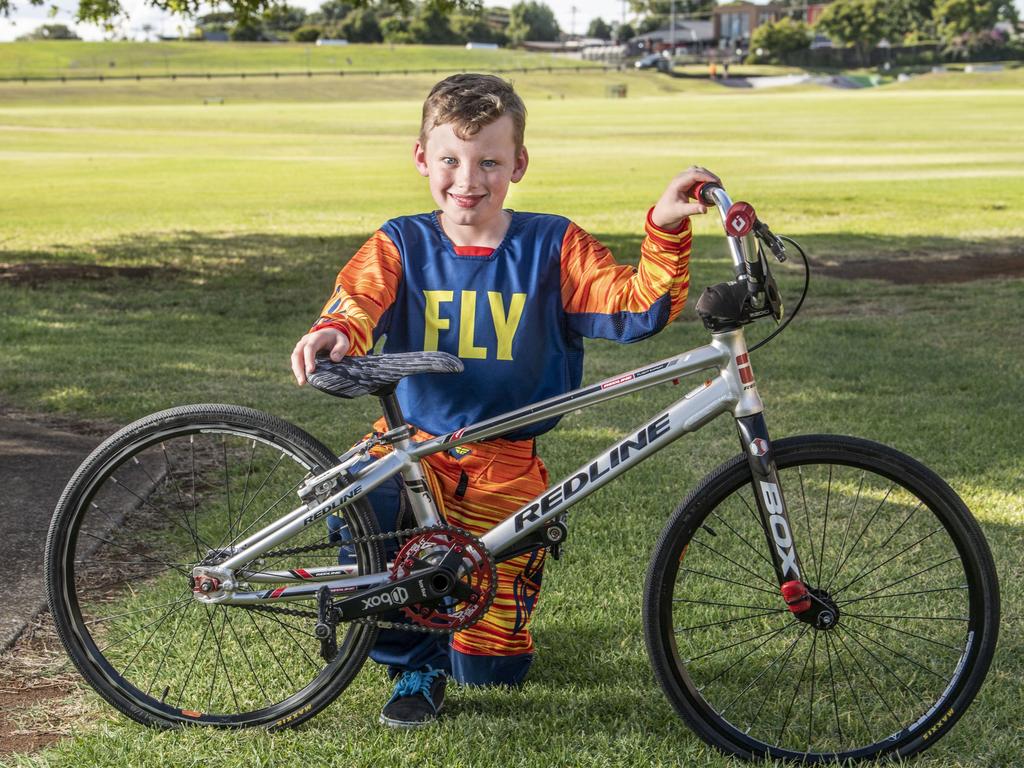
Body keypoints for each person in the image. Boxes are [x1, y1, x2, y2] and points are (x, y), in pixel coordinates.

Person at [290, 73, 719, 729]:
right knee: (369, 507)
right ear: (422, 159)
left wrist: (663, 227)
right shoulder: (402, 241)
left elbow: (638, 306)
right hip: (415, 449)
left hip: (507, 469)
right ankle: (413, 661)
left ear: (518, 163)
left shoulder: (554, 245)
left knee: (492, 672)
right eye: (451, 160)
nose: (469, 179)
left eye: (490, 161)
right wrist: (332, 330)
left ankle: (469, 638)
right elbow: (357, 301)